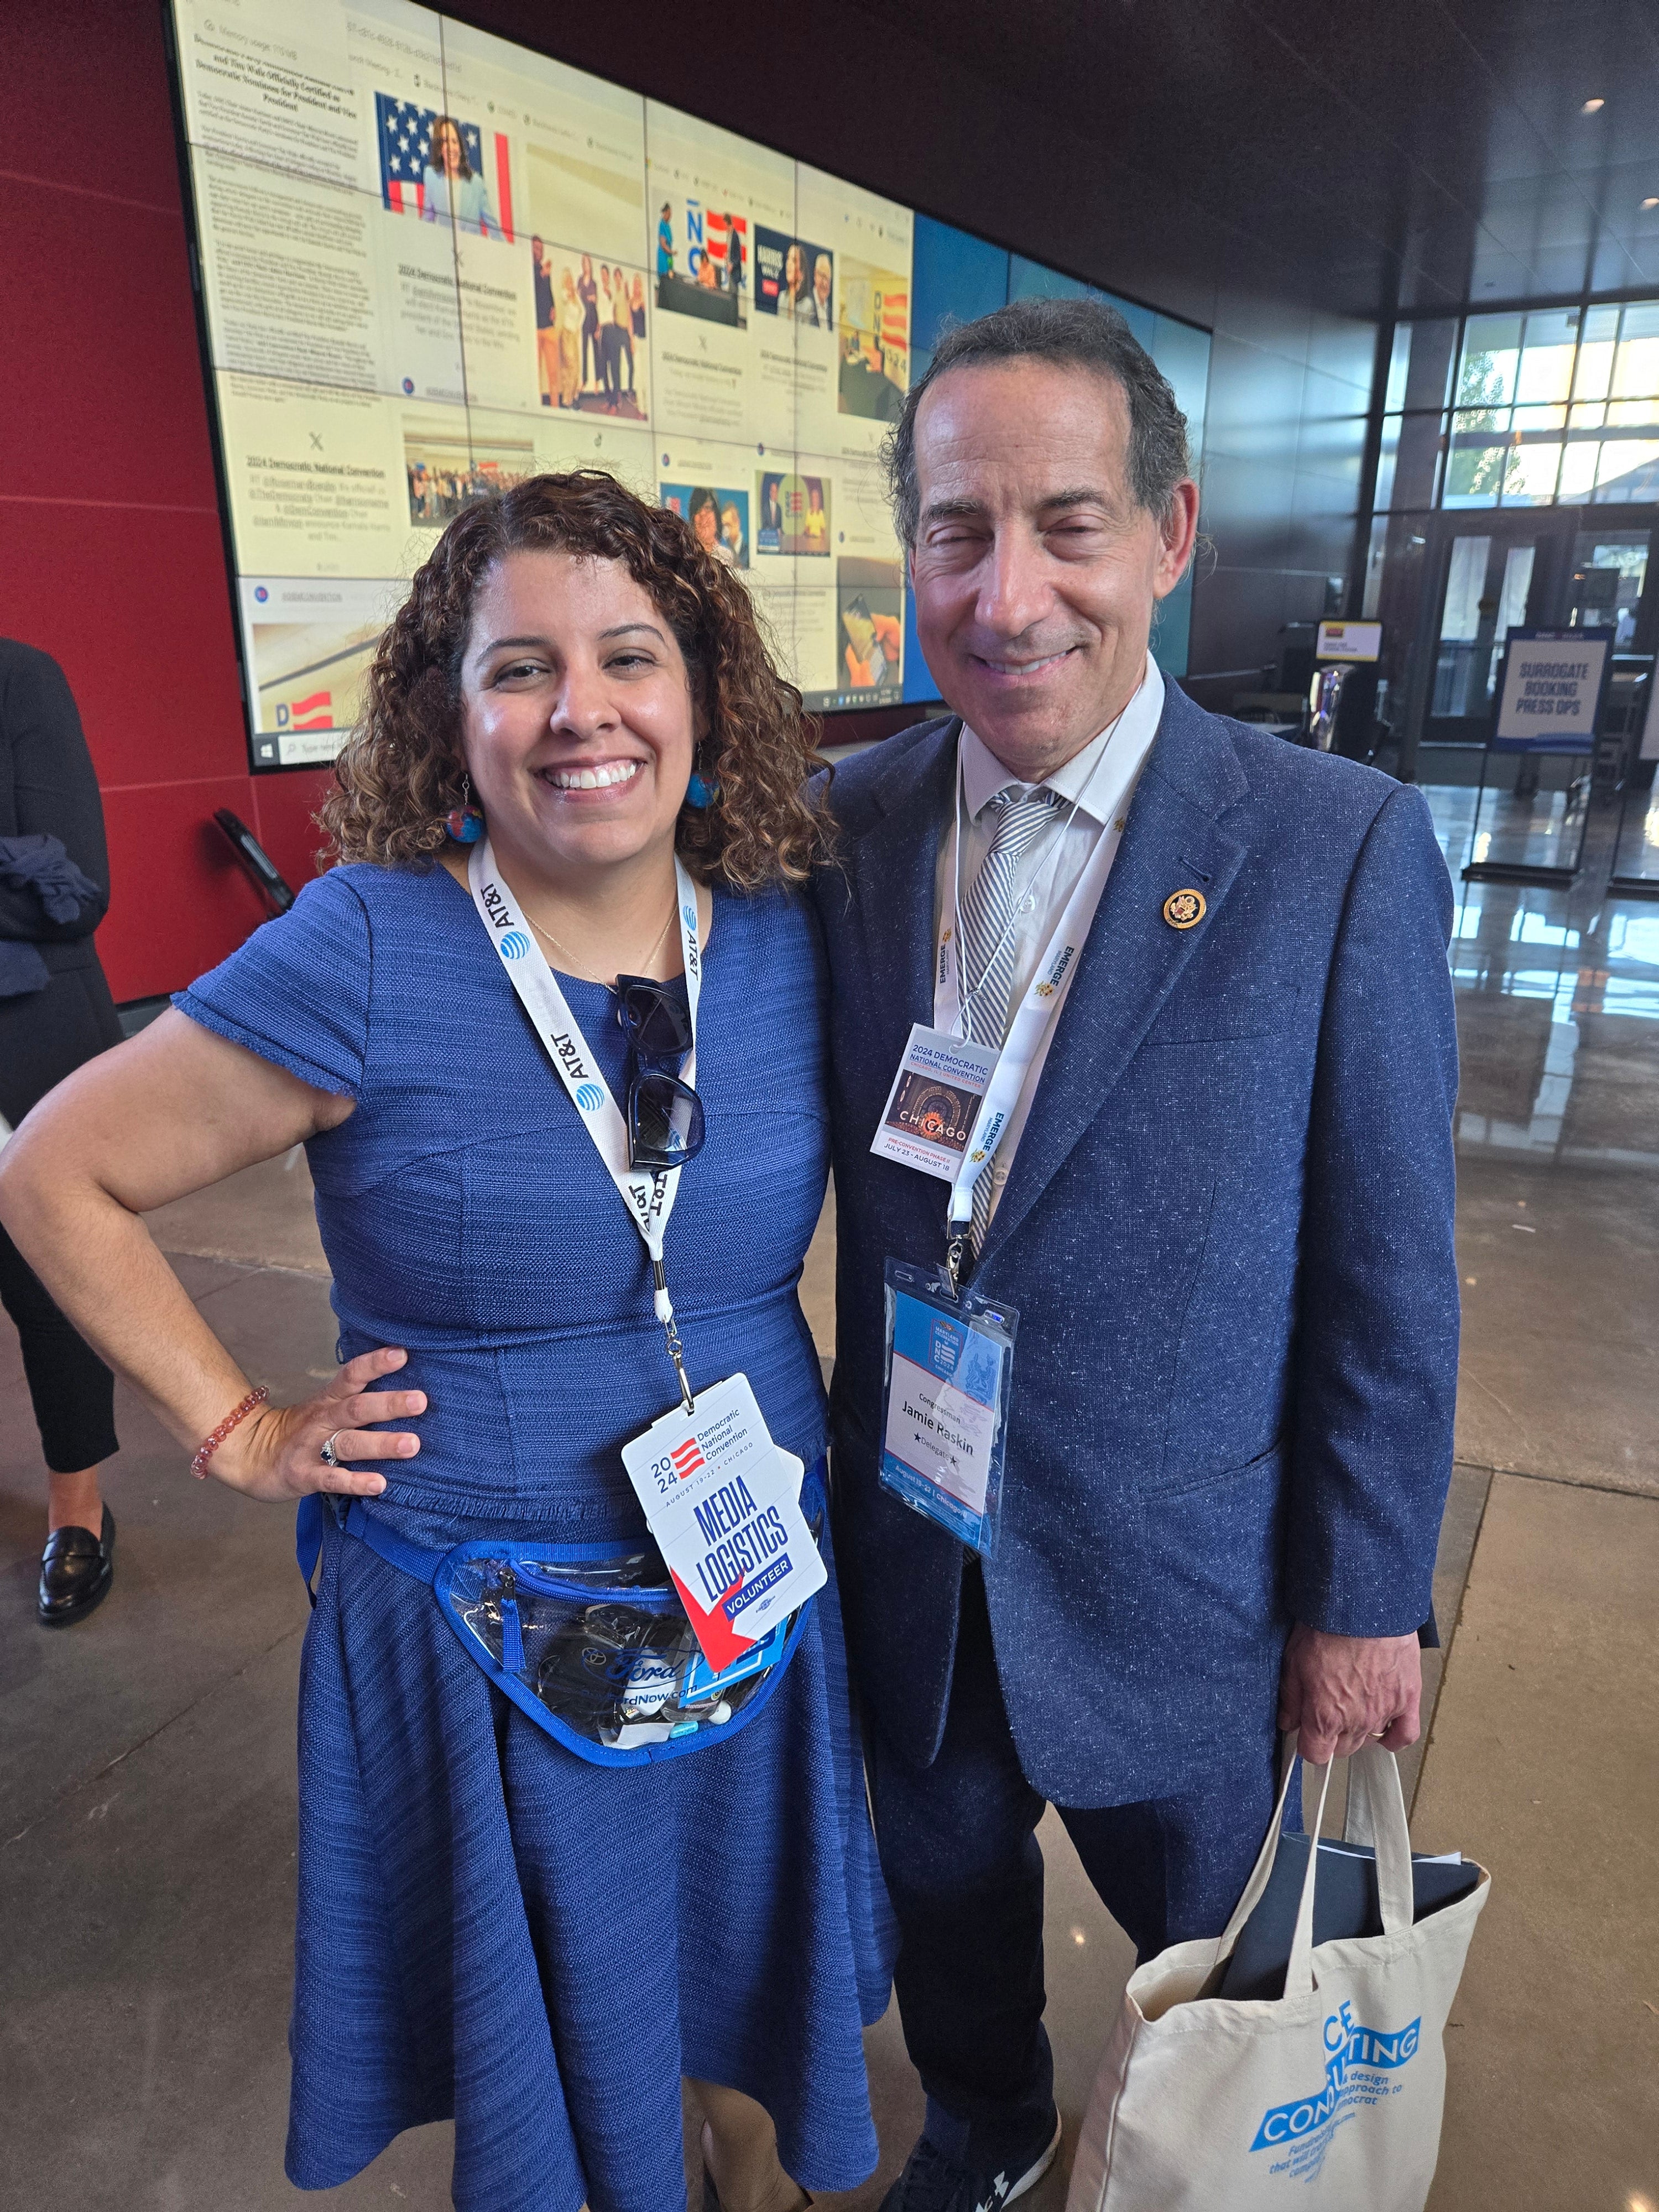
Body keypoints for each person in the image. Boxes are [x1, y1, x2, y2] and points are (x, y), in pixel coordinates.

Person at [0, 473, 893, 2211]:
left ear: (703, 687)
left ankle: (722, 2130)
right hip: (485, 1619)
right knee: (560, 2066)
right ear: (447, 709)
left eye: (629, 656)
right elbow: (54, 1172)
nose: (582, 713)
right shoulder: (370, 945)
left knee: (718, 1983)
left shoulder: (782, 923)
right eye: (518, 669)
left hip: (752, 1584)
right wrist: (240, 1426)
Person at [811, 295, 1458, 2212]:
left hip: (1191, 1586)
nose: (1008, 596)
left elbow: (1390, 1273)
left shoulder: (1329, 847)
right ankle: (995, 2129)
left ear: (1171, 535)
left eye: (1068, 525)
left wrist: (1365, 1603)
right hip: (918, 1540)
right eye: (955, 530)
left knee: (1234, 1979)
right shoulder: (843, 830)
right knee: (947, 1895)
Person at [0, 640, 125, 1625]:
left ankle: (77, 1509)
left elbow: (78, 889)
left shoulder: (20, 678)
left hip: (22, 1029)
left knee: (47, 1281)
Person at [421, 116, 503, 241]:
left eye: (455, 142)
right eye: (445, 141)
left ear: (460, 147)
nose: (451, 148)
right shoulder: (431, 176)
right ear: (438, 148)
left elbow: (493, 227)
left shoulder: (476, 183)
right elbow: (427, 220)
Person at [532, 237, 556, 406]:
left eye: (541, 249)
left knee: (553, 373)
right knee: (536, 374)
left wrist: (554, 307)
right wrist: (542, 276)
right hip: (535, 328)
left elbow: (548, 293)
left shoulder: (543, 270)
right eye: (535, 248)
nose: (538, 252)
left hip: (549, 328)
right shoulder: (529, 270)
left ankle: (556, 407)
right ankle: (539, 408)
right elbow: (533, 292)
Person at [557, 267, 582, 409]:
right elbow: (565, 298)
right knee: (569, 367)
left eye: (570, 278)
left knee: (576, 368)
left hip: (574, 335)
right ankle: (567, 401)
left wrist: (579, 326)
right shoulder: (565, 294)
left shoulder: (576, 296)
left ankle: (573, 398)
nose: (569, 281)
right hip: (567, 334)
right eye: (566, 279)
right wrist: (571, 293)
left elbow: (583, 312)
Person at [578, 253, 600, 390]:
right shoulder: (580, 280)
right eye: (584, 263)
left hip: (594, 317)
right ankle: (584, 380)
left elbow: (596, 301)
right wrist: (586, 297)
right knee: (584, 349)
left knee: (596, 350)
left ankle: (597, 381)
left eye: (588, 263)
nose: (586, 265)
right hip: (584, 319)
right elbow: (578, 297)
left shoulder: (594, 283)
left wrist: (593, 299)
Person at [801, 481, 828, 553]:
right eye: (813, 497)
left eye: (816, 497)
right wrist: (810, 535)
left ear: (818, 499)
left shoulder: (821, 513)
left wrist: (821, 539)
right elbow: (806, 528)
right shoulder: (809, 512)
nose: (814, 499)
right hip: (810, 540)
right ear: (811, 499)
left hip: (819, 541)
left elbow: (823, 529)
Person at [809, 253, 833, 328]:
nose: (825, 283)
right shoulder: (805, 302)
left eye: (828, 279)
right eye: (823, 276)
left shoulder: (831, 312)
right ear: (815, 274)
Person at [721, 502, 747, 568]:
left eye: (728, 525)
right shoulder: (721, 551)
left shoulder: (748, 552)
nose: (725, 530)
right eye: (723, 526)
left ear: (737, 523)